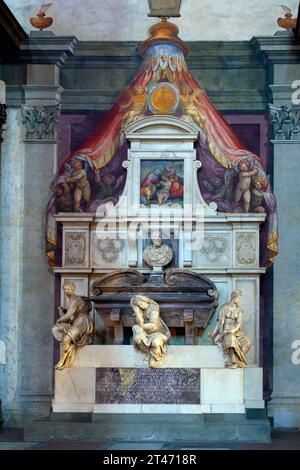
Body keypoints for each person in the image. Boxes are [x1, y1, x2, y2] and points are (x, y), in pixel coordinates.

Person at [52, 281, 94, 370]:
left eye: (69, 289)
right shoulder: (70, 300)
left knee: (67, 338)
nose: (67, 291)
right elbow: (69, 314)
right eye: (65, 289)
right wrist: (63, 310)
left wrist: (59, 320)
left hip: (82, 322)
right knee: (55, 329)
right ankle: (69, 345)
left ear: (73, 290)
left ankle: (63, 359)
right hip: (75, 321)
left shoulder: (76, 300)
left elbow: (68, 315)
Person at [208, 289, 251, 368]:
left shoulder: (239, 310)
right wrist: (214, 333)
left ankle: (238, 360)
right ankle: (233, 361)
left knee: (247, 343)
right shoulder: (224, 307)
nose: (240, 300)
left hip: (235, 331)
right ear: (233, 297)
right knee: (231, 339)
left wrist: (233, 330)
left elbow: (238, 323)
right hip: (225, 332)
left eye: (240, 299)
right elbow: (220, 322)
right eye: (239, 298)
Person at [131, 295, 171, 368]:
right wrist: (136, 311)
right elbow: (140, 323)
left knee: (156, 343)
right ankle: (148, 353)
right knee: (137, 339)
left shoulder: (153, 308)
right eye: (139, 305)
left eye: (141, 303)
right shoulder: (140, 310)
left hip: (157, 332)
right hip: (145, 332)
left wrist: (141, 327)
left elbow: (154, 325)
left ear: (145, 300)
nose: (141, 306)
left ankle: (153, 357)